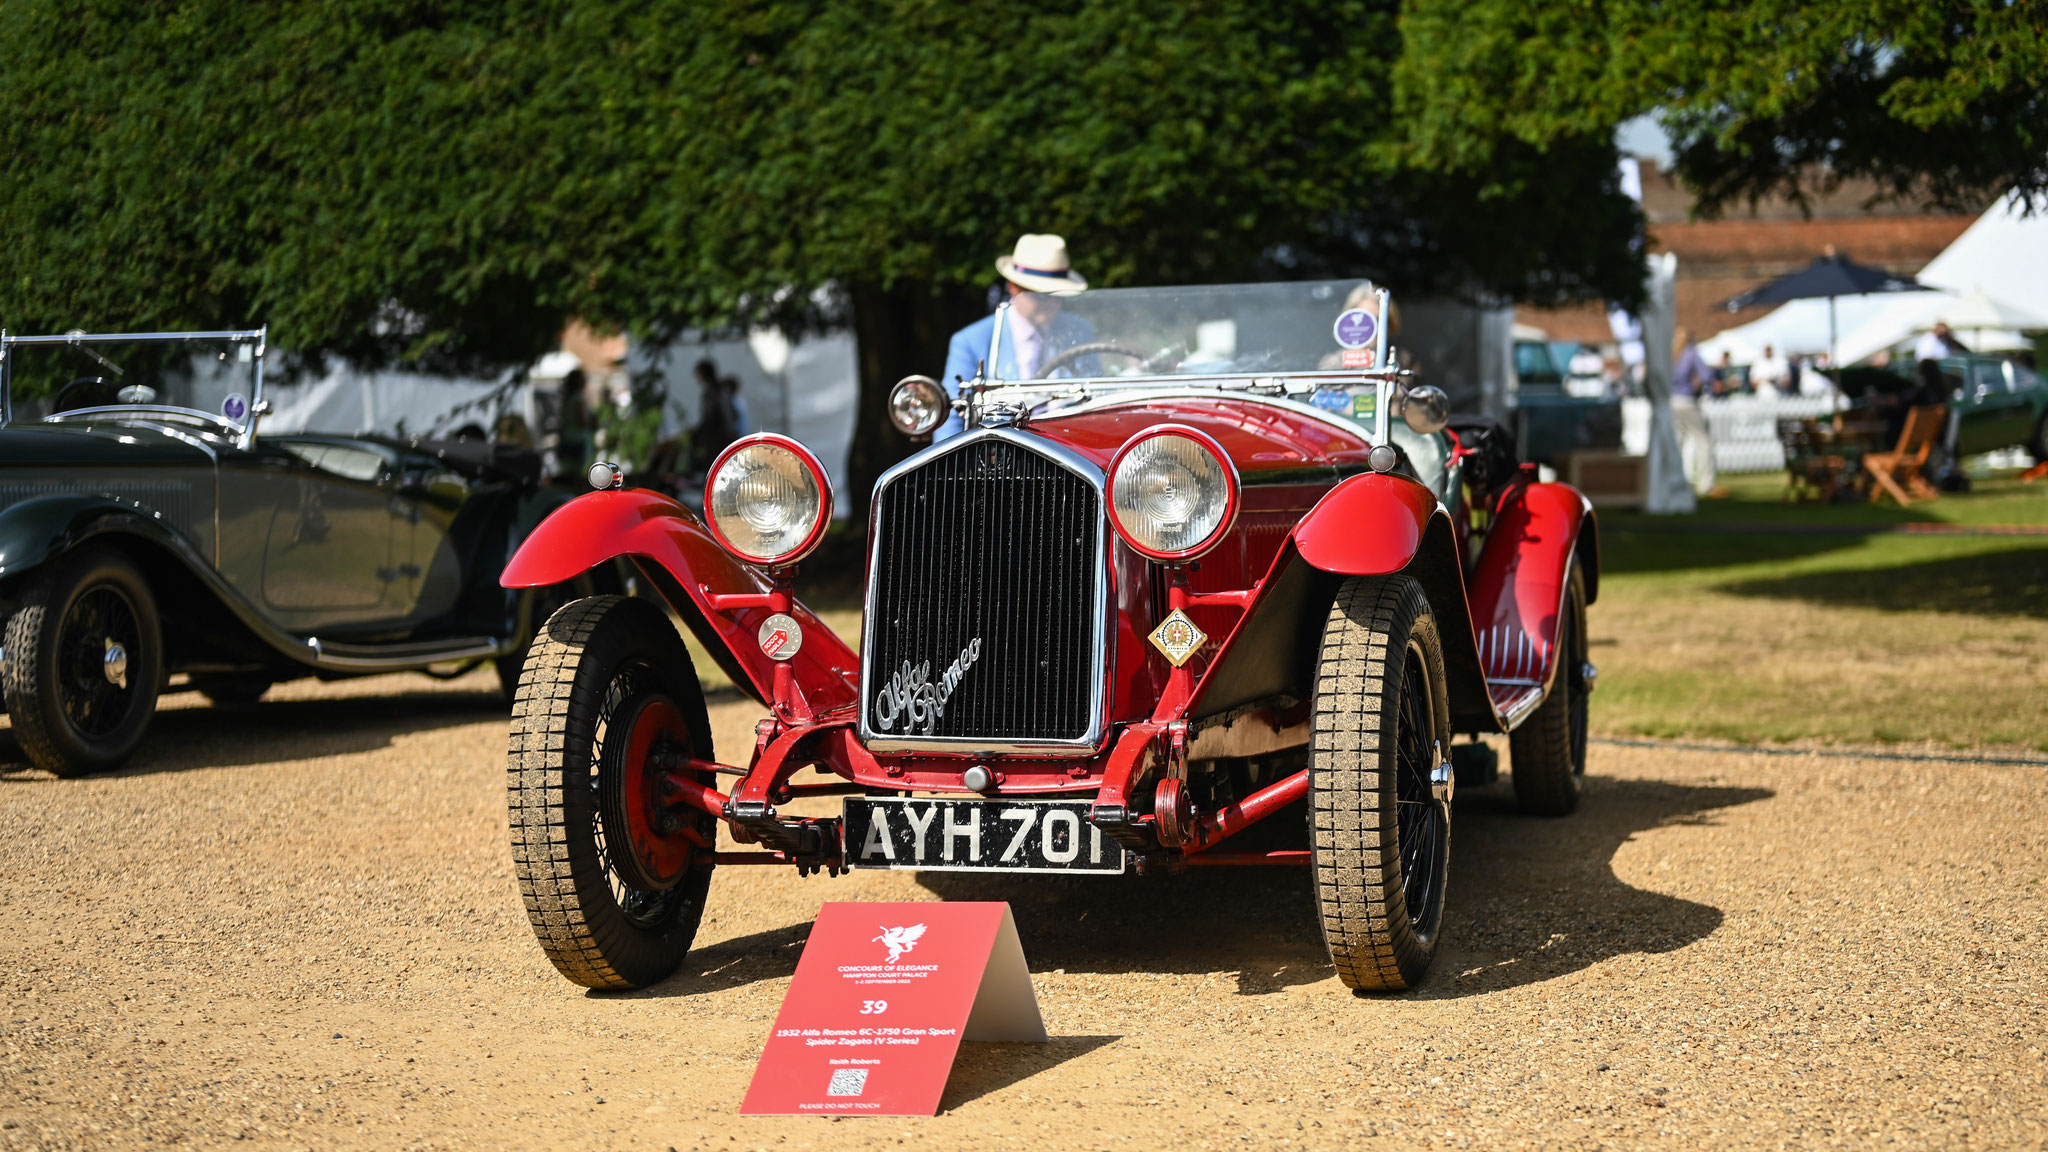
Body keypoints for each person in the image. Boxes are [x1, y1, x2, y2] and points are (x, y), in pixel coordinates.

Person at [939, 234, 1093, 440]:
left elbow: (1097, 399)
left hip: (1072, 455)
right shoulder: (971, 342)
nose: (1050, 303)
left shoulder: (1079, 330)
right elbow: (950, 419)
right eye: (1039, 295)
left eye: (1057, 296)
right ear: (1013, 287)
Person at [1670, 329, 1721, 496]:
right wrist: (1695, 385)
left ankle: (1677, 482)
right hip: (1687, 401)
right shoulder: (1691, 353)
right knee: (1703, 442)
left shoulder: (1669, 355)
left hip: (1671, 402)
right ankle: (1706, 484)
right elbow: (1706, 376)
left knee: (1679, 443)